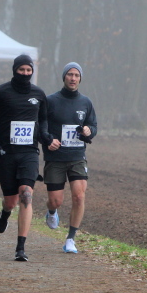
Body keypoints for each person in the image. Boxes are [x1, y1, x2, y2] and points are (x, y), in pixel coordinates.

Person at [0, 55, 48, 262]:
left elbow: (44, 118)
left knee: (26, 194)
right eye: (21, 70)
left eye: (29, 70)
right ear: (14, 70)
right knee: (11, 201)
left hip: (29, 152)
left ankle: (20, 248)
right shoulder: (1, 92)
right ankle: (5, 212)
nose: (25, 74)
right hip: (6, 153)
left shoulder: (39, 94)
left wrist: (44, 135)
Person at [43, 62, 97, 254]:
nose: (73, 78)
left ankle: (70, 239)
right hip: (56, 157)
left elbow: (93, 126)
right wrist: (48, 140)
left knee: (79, 196)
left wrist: (89, 131)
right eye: (70, 74)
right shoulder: (51, 100)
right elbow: (41, 127)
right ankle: (51, 211)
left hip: (77, 156)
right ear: (64, 77)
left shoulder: (86, 102)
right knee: (55, 201)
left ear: (80, 78)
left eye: (76, 75)